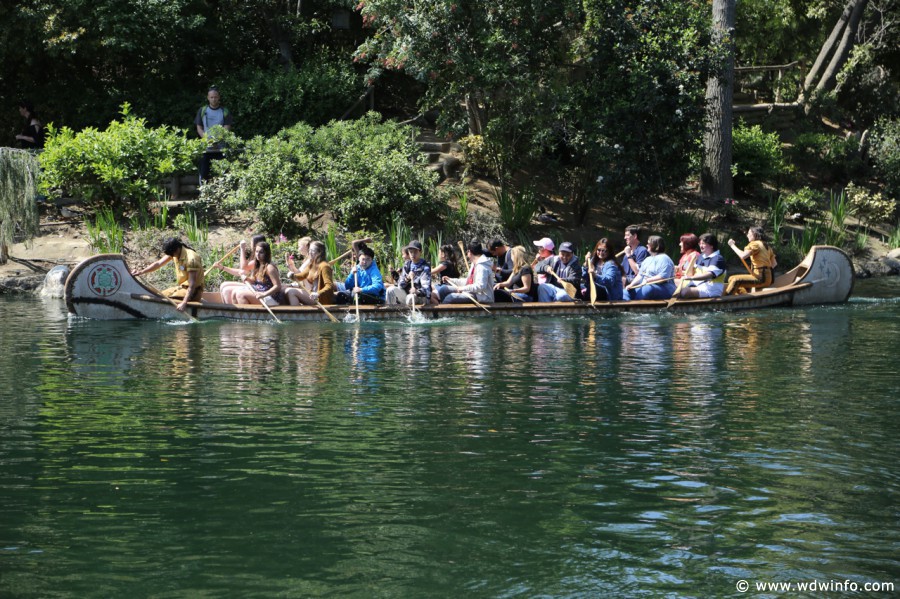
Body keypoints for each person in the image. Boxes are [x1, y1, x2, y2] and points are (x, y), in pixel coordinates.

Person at [131, 237, 204, 312]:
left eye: (172, 254)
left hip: (193, 292)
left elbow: (192, 284)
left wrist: (184, 303)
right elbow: (158, 264)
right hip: (181, 288)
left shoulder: (191, 259)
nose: (171, 256)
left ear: (177, 249)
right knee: (156, 294)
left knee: (163, 298)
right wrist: (141, 271)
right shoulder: (175, 252)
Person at [195, 85, 232, 183]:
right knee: (204, 172)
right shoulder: (202, 111)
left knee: (223, 173)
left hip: (221, 148)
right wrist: (208, 140)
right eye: (211, 97)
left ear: (219, 97)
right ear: (208, 98)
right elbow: (199, 128)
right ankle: (203, 194)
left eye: (215, 97)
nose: (214, 99)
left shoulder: (225, 111)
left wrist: (217, 141)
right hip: (206, 148)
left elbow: (226, 128)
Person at [726, 226, 777, 295]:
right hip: (767, 279)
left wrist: (732, 245)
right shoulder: (767, 246)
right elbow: (774, 263)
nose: (747, 235)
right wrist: (765, 270)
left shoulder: (755, 244)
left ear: (755, 234)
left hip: (761, 278)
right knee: (731, 278)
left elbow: (743, 256)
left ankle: (727, 299)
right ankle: (744, 295)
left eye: (749, 233)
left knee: (735, 280)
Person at [230, 241, 284, 306]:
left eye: (261, 252)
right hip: (259, 291)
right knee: (234, 292)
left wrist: (264, 294)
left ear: (266, 254)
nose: (258, 254)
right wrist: (247, 279)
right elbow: (254, 281)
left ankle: (247, 315)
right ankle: (237, 314)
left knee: (240, 295)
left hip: (271, 297)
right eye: (256, 251)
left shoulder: (270, 267)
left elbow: (278, 286)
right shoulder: (258, 264)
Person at [623, 235, 676, 300]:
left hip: (664, 288)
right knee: (625, 292)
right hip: (644, 286)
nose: (647, 245)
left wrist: (648, 280)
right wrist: (631, 285)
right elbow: (640, 275)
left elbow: (663, 277)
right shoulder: (647, 259)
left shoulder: (664, 259)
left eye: (649, 243)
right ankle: (626, 308)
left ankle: (637, 307)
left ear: (656, 246)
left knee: (647, 289)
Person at [217, 234, 265, 303]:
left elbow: (243, 267)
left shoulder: (259, 260)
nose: (250, 244)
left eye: (251, 242)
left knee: (226, 290)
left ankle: (230, 311)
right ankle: (227, 310)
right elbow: (242, 271)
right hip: (252, 284)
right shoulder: (254, 259)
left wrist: (242, 249)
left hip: (256, 287)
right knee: (223, 285)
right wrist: (223, 268)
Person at [284, 241, 334, 305]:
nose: (309, 252)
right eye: (309, 250)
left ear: (320, 252)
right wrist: (292, 276)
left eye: (312, 250)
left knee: (291, 292)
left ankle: (296, 313)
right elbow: (301, 276)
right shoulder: (312, 265)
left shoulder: (325, 266)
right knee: (286, 289)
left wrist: (318, 293)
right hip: (312, 295)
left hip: (320, 299)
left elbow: (329, 286)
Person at [678, 233, 727, 299]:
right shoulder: (701, 257)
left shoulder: (717, 259)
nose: (701, 246)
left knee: (685, 292)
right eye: (700, 244)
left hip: (711, 290)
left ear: (712, 245)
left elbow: (709, 275)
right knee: (673, 284)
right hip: (697, 285)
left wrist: (690, 278)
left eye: (703, 243)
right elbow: (691, 272)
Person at [386, 240, 432, 306]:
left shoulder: (425, 267)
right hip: (407, 294)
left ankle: (411, 315)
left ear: (420, 252)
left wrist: (417, 291)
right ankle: (392, 312)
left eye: (415, 252)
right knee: (390, 290)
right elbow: (400, 285)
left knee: (410, 297)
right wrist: (407, 278)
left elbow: (427, 290)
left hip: (421, 297)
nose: (412, 254)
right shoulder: (407, 265)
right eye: (411, 252)